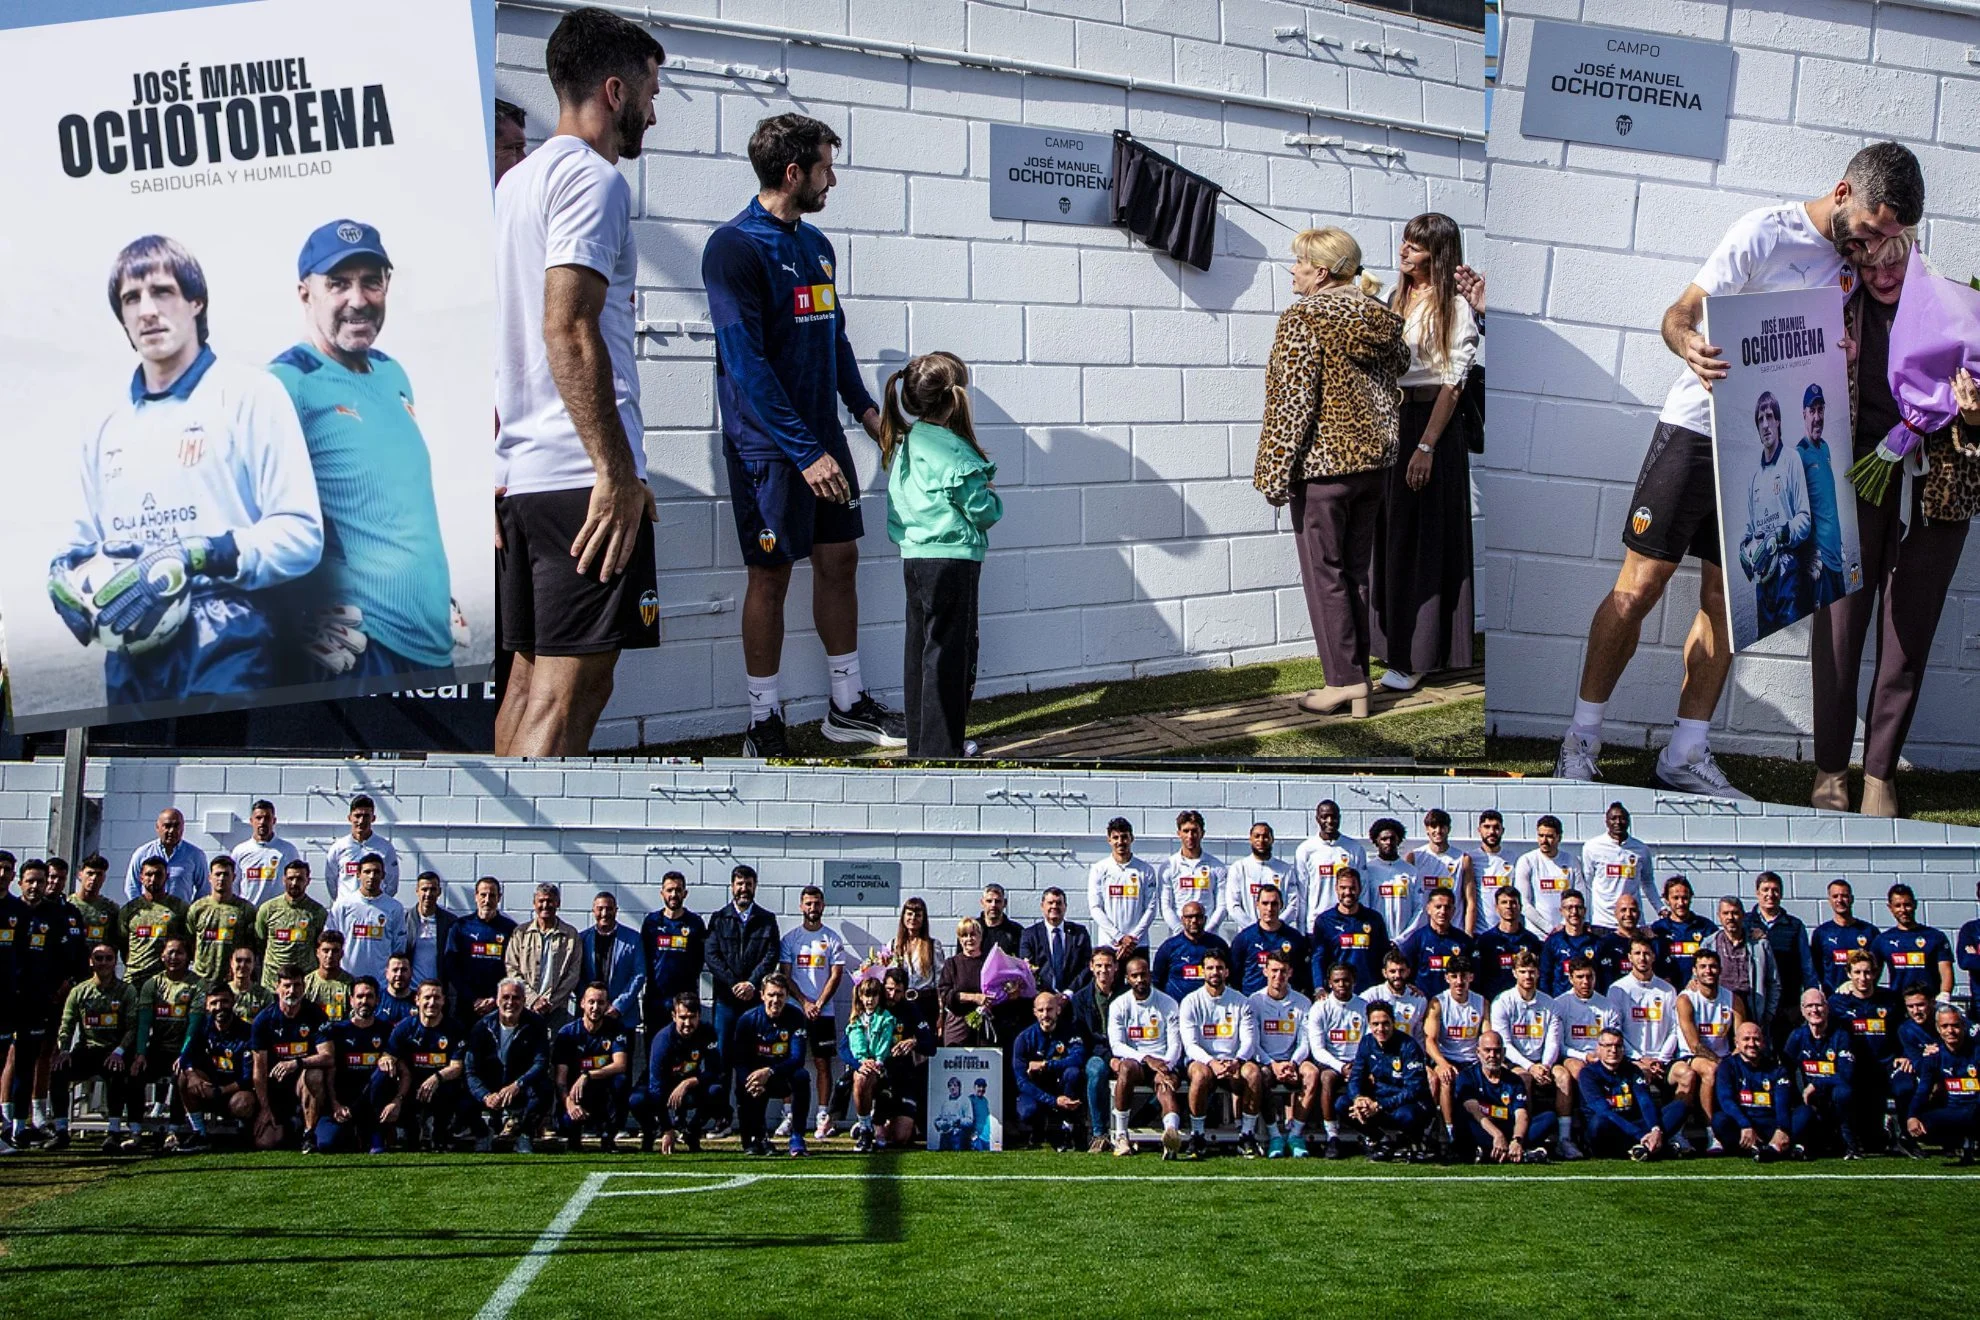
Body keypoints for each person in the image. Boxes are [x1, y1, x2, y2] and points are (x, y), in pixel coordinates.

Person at [1557, 143, 1922, 798]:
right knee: (1639, 587)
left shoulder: (1857, 266)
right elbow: (1679, 313)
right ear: (1843, 192)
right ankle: (1581, 739)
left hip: (1765, 452)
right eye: (1870, 230)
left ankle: (1685, 753)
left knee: (1729, 603)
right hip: (1698, 427)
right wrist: (1688, 344)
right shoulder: (1764, 232)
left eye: (1888, 238)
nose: (1873, 249)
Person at [49, 236, 321, 710]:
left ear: (196, 301)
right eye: (131, 299)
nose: (147, 310)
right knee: (136, 783)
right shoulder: (101, 420)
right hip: (130, 648)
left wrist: (201, 554)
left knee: (215, 780)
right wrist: (63, 581)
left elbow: (301, 535)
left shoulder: (251, 394)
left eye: (163, 291)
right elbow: (77, 544)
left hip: (229, 638)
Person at [493, 8, 665, 756]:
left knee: (533, 686)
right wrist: (614, 471)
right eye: (652, 94)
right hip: (581, 483)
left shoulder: (517, 183)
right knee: (567, 700)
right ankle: (518, 872)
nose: (655, 113)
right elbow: (568, 328)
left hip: (532, 479)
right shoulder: (592, 181)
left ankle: (485, 865)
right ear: (616, 90)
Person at [705, 110, 902, 758]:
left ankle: (847, 706)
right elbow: (747, 364)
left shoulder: (817, 246)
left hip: (822, 440)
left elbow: (833, 337)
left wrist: (869, 414)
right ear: (793, 172)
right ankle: (763, 719)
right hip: (769, 449)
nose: (833, 179)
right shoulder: (734, 247)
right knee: (770, 576)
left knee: (840, 560)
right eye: (826, 166)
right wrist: (805, 450)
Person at [1812, 228, 1976, 816]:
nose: (1882, 275)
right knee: (1838, 630)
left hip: (1934, 494)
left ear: (1912, 244)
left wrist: (1974, 413)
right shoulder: (1831, 306)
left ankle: (1880, 774)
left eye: (1893, 261)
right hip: (1854, 483)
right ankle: (1831, 768)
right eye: (1868, 261)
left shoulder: (1954, 309)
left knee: (1907, 635)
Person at [270, 218, 457, 683]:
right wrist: (290, 612)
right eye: (338, 283)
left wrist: (438, 596)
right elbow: (238, 513)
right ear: (304, 293)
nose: (358, 299)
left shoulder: (393, 373)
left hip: (430, 641)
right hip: (356, 647)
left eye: (370, 281)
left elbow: (400, 499)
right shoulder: (285, 383)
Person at [1254, 226, 1411, 718]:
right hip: (1375, 467)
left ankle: (1344, 682)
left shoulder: (1303, 318)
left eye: (1299, 263)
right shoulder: (1379, 315)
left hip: (1323, 470)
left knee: (1326, 575)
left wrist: (1273, 473)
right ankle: (1358, 682)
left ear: (1321, 272)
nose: (1293, 270)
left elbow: (1290, 402)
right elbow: (1401, 368)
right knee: (1355, 573)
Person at [1373, 212, 1478, 694]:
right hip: (1392, 421)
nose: (1404, 251)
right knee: (1392, 536)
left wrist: (1425, 446)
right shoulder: (1395, 298)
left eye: (1416, 246)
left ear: (1438, 254)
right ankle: (1392, 646)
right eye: (1404, 242)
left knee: (1423, 541)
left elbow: (1454, 383)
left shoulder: (1452, 306)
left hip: (1430, 425)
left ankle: (1418, 657)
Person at [881, 350, 1001, 756]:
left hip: (914, 559)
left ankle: (924, 746)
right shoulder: (955, 451)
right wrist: (992, 500)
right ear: (955, 399)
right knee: (950, 655)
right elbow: (981, 511)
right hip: (953, 560)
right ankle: (942, 752)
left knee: (920, 651)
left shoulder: (905, 442)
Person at [1736, 390, 1813, 638]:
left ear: (1778, 421)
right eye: (1760, 419)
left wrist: (1778, 536)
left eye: (1770, 416)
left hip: (1788, 573)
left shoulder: (1792, 460)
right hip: (1763, 582)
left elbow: (1804, 519)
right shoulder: (1754, 478)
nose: (1766, 424)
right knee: (1764, 642)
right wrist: (1744, 549)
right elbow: (1750, 530)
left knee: (1789, 640)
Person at [1609, 934, 1694, 1153]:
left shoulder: (1667, 990)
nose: (1642, 958)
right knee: (1637, 1080)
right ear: (1629, 957)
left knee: (1687, 1074)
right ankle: (1645, 1134)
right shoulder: (1618, 989)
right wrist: (1639, 1059)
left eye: (1646, 953)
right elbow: (1615, 1032)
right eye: (1637, 953)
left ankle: (1677, 1133)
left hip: (1662, 1060)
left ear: (1654, 956)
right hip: (1631, 1061)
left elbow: (1676, 1028)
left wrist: (1660, 1059)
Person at [50, 944, 137, 1153]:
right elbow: (67, 1024)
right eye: (99, 958)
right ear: (91, 961)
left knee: (116, 1071)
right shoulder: (79, 991)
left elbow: (132, 1027)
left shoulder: (127, 991)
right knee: (58, 1070)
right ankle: (61, 1131)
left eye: (108, 958)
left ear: (115, 962)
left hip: (114, 1050)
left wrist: (120, 1051)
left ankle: (114, 1132)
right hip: (87, 1050)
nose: (104, 963)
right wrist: (63, 1050)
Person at [778, 885, 846, 1140]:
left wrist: (818, 1003)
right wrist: (805, 1003)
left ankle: (822, 1115)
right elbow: (786, 976)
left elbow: (836, 975)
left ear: (823, 906)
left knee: (822, 1063)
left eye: (816, 903)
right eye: (808, 903)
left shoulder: (832, 939)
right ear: (800, 906)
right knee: (788, 1063)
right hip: (795, 1011)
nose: (812, 908)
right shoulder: (791, 939)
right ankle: (789, 1115)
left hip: (824, 1012)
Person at [1178, 950, 1260, 1158]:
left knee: (1253, 1073)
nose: (1215, 972)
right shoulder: (1190, 1001)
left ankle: (1247, 1136)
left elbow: (1249, 1039)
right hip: (1203, 1060)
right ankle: (1197, 1136)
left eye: (1219, 968)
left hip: (1234, 1061)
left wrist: (1237, 1060)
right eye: (1210, 968)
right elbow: (1190, 1045)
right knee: (1199, 1074)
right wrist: (1212, 1062)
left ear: (1227, 971)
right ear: (1202, 972)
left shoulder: (1242, 1001)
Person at [1105, 949, 1184, 1158]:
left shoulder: (1168, 1003)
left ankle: (1171, 1135)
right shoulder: (1119, 1005)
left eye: (1143, 974)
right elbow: (1117, 1045)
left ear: (1150, 975)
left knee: (1166, 1085)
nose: (1140, 979)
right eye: (1135, 976)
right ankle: (1121, 1136)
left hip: (1164, 1062)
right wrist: (1147, 1059)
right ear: (1127, 978)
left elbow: (1176, 1043)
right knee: (1126, 1067)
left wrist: (1165, 1065)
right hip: (1137, 1064)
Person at [1491, 950, 1569, 1152]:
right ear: (1515, 973)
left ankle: (1565, 1139)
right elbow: (1504, 1044)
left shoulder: (1550, 1004)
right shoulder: (1502, 1001)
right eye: (1523, 971)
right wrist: (1530, 1067)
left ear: (1538, 973)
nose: (1528, 976)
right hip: (1515, 1063)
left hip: (1543, 1062)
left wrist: (1545, 1066)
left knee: (1563, 1077)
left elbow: (1553, 1040)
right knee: (1523, 1078)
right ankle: (1525, 1137)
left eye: (1532, 972)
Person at [249, 967, 333, 1152]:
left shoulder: (315, 1014)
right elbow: (259, 1070)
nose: (292, 991)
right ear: (277, 987)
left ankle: (309, 1133)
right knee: (265, 1143)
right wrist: (264, 1108)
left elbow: (328, 1057)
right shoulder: (264, 1020)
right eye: (287, 985)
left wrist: (296, 1063)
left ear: (304, 988)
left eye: (297, 985)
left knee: (314, 1073)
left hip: (302, 1081)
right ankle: (288, 1127)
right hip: (275, 1087)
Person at [465, 977, 554, 1154]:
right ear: (497, 1000)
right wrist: (485, 1096)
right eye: (505, 998)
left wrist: (518, 1085)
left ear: (524, 1000)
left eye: (516, 998)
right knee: (461, 1093)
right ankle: (483, 1134)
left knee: (544, 1088)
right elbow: (470, 1070)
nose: (510, 1003)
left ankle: (525, 1135)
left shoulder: (536, 1024)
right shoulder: (482, 1027)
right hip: (491, 1085)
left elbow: (541, 1063)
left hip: (519, 1085)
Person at [632, 992, 725, 1154]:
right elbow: (655, 1086)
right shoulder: (663, 1040)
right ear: (674, 1016)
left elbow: (716, 1071)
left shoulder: (707, 1032)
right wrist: (667, 1128)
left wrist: (688, 1083)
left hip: (687, 1088)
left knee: (716, 1091)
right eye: (683, 1017)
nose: (687, 1023)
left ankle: (692, 1133)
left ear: (699, 1016)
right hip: (661, 1088)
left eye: (692, 1017)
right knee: (636, 1100)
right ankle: (652, 1130)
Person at [1577, 1028, 1690, 1161]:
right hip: (1610, 1129)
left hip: (1634, 1123)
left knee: (1679, 1107)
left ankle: (1644, 1147)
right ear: (1598, 1048)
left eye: (1618, 1046)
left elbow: (1645, 1102)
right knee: (1599, 1122)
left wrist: (1655, 1130)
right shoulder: (1587, 1074)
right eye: (1608, 1046)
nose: (1613, 1050)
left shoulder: (1632, 1069)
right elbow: (1604, 1112)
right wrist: (1640, 1134)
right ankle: (1649, 1148)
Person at [382, 980, 469, 1152]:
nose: (432, 1002)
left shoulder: (455, 1028)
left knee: (456, 1093)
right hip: (410, 1085)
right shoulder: (405, 1027)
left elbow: (457, 1066)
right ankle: (399, 1131)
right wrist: (386, 1060)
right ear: (417, 1000)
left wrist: (436, 1078)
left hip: (441, 1084)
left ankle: (442, 1132)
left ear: (443, 1000)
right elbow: (388, 1054)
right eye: (427, 997)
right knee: (384, 1077)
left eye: (437, 997)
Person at [316, 977, 399, 1154]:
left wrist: (396, 1101)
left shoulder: (387, 1030)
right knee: (326, 1144)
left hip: (374, 1103)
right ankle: (353, 1134)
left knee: (384, 1068)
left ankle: (375, 1132)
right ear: (351, 1000)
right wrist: (335, 1104)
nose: (364, 1001)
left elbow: (404, 1070)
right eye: (359, 996)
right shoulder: (337, 1031)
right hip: (343, 1102)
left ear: (377, 1000)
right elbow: (330, 1070)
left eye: (369, 997)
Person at [733, 972, 812, 1157]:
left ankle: (797, 1136)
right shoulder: (748, 1019)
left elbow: (797, 1058)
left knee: (802, 1077)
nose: (775, 1000)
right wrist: (752, 1082)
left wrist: (769, 1072)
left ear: (786, 996)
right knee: (744, 1082)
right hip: (755, 1078)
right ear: (762, 995)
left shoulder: (795, 1017)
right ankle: (755, 1137)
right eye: (771, 995)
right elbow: (739, 1059)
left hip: (779, 1075)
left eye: (780, 995)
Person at [1248, 950, 1317, 1158]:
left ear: (1290, 973)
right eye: (1274, 971)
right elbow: (1253, 1042)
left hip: (1293, 1060)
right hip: (1267, 1061)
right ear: (1265, 971)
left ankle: (1295, 1135)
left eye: (1283, 972)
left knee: (1312, 1073)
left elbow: (1305, 1041)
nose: (1278, 976)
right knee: (1261, 1077)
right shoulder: (1254, 1001)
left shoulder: (1303, 1002)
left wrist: (1293, 1063)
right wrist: (1273, 1064)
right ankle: (1275, 1135)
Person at [1345, 1000, 1434, 1162]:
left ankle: (1412, 1142)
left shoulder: (1409, 1046)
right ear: (1369, 1025)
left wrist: (1379, 1106)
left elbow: (1413, 1089)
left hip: (1407, 1103)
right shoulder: (1366, 1042)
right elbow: (1355, 1076)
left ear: (1393, 1023)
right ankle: (1380, 1140)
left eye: (1385, 1023)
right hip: (1379, 1101)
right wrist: (1358, 1098)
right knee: (1342, 1104)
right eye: (1376, 1024)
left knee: (1406, 1115)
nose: (1381, 1029)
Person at [1830, 950, 1900, 1148]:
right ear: (1849, 974)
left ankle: (1901, 1134)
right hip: (1854, 1068)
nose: (1863, 978)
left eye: (1868, 972)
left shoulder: (1890, 1000)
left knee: (1874, 1140)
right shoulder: (1837, 1002)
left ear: (1875, 973)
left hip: (1884, 1065)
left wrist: (1903, 1055)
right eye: (1858, 972)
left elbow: (1900, 1031)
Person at [1676, 949, 1745, 1152]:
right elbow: (1694, 1044)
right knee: (1711, 1070)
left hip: (1724, 1056)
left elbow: (1740, 1037)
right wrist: (1722, 1062)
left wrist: (1732, 1058)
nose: (1709, 971)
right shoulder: (1686, 999)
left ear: (1720, 969)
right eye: (1703, 967)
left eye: (1713, 966)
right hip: (1692, 1056)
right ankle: (1711, 1133)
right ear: (1694, 971)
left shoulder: (1732, 998)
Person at [1782, 987, 1861, 1158]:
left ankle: (1850, 1143)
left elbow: (1845, 1075)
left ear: (1827, 1008)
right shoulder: (1797, 1036)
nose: (1814, 1010)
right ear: (1802, 1011)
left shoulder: (1841, 1036)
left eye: (1818, 1005)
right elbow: (1785, 1070)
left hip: (1834, 1100)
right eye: (1809, 1006)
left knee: (1843, 1092)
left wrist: (1816, 1084)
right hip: (1808, 1102)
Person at [553, 983, 633, 1152]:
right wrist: (569, 1104)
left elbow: (621, 1065)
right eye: (591, 1002)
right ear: (582, 1003)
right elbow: (560, 1080)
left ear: (607, 1005)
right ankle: (573, 1138)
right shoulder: (568, 1033)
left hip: (602, 1091)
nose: (595, 1007)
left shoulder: (615, 1028)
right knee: (567, 1121)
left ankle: (608, 1137)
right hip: (576, 1095)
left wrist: (587, 1075)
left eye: (600, 1002)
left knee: (622, 1081)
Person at [1421, 955, 1487, 1154]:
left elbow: (1488, 1036)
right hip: (1447, 1057)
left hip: (1474, 1060)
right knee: (1446, 1079)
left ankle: (1485, 1134)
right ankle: (1449, 1135)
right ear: (1447, 978)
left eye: (1464, 976)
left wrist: (1487, 1061)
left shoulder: (1482, 1002)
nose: (1459, 981)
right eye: (1454, 976)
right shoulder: (1438, 1002)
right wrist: (1442, 1063)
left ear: (1471, 977)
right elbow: (1429, 1040)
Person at [1303, 962, 1369, 1158]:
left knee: (1372, 1076)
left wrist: (1357, 1067)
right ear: (1329, 983)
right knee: (1326, 1079)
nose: (1342, 984)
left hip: (1358, 1064)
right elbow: (1318, 1049)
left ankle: (1369, 1134)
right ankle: (1332, 1136)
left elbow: (1369, 1043)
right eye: (1337, 981)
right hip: (1332, 1064)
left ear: (1354, 981)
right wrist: (1341, 1067)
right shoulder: (1320, 1008)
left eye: (1346, 980)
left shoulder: (1364, 1007)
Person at [1458, 1030, 1553, 1164]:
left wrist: (1517, 1139)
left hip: (1509, 1128)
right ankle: (1523, 1155)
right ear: (1478, 1052)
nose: (1492, 1055)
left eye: (1497, 1051)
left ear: (1503, 1053)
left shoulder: (1514, 1080)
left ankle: (1494, 1154)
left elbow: (1521, 1114)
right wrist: (1497, 1135)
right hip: (1485, 1128)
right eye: (1487, 1050)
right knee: (1466, 1123)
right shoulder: (1468, 1076)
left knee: (1548, 1118)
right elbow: (1473, 1109)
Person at [1011, 990, 1088, 1152]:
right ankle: (1039, 1128)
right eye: (1041, 1010)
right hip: (1036, 1091)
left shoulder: (1070, 1031)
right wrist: (1053, 1101)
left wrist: (1046, 1065)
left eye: (1049, 1009)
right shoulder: (1024, 1038)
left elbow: (1078, 1057)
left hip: (1062, 1087)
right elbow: (1021, 1082)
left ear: (1058, 1010)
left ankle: (1068, 1126)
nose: (1045, 1015)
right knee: (1027, 1112)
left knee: (1073, 1073)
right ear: (1034, 1013)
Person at [1748, 872, 1818, 1048]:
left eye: (1775, 890)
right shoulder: (1746, 923)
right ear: (1757, 893)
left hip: (1787, 1004)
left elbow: (1806, 965)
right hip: (1753, 1003)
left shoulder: (1794, 925)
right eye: (1765, 890)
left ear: (1781, 894)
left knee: (1787, 1054)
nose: (1770, 895)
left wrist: (1808, 998)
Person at [1903, 1005, 1980, 1163]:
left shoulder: (1977, 1052)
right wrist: (1912, 1116)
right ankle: (1958, 1143)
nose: (1950, 1031)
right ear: (1938, 1029)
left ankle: (1971, 1140)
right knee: (1922, 1126)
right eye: (1945, 1026)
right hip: (1952, 1111)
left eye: (1955, 1025)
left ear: (1963, 1026)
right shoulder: (1934, 1055)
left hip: (1976, 1109)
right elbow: (1923, 1089)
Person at [1068, 947, 1123, 1153]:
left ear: (1116, 967)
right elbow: (1084, 1038)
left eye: (1108, 965)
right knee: (1096, 1071)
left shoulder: (1126, 994)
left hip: (1126, 1053)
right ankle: (1099, 1133)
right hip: (1096, 1053)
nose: (1103, 970)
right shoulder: (1081, 999)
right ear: (1091, 967)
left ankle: (1133, 1125)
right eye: (1099, 965)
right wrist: (1108, 1057)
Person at [506, 882, 583, 1029]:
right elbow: (512, 969)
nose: (545, 905)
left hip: (557, 1010)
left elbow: (573, 974)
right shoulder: (520, 933)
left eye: (550, 901)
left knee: (555, 1050)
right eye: (541, 901)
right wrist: (533, 1000)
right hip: (524, 1007)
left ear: (558, 903)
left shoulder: (571, 935)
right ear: (534, 903)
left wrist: (550, 1002)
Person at [327, 854, 409, 985]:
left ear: (383, 876)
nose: (372, 876)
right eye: (367, 871)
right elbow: (330, 942)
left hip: (381, 983)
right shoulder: (343, 905)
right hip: (346, 981)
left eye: (376, 872)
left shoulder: (394, 907)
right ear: (358, 874)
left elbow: (398, 947)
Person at [640, 871, 708, 1023]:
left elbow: (700, 959)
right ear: (662, 893)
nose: (674, 894)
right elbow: (644, 956)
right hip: (656, 998)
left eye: (678, 890)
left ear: (685, 893)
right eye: (669, 890)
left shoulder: (695, 923)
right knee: (655, 1044)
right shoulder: (651, 922)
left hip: (685, 1000)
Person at [447, 876, 518, 1020]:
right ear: (475, 896)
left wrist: (495, 998)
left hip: (499, 1005)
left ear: (499, 898)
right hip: (466, 1005)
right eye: (483, 895)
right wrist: (473, 999)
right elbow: (451, 966)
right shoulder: (461, 926)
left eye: (492, 895)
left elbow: (515, 968)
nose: (487, 900)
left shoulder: (510, 929)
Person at [1086, 818, 1156, 960]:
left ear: (1132, 838)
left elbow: (1151, 908)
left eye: (1124, 837)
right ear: (1109, 840)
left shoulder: (1146, 870)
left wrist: (1133, 938)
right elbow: (1095, 907)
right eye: (1115, 837)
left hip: (1138, 945)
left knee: (1139, 982)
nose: (1120, 841)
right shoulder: (1099, 869)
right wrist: (1119, 937)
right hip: (1109, 944)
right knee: (1110, 983)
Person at [843, 976, 898, 1152]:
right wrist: (862, 1060)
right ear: (859, 996)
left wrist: (878, 1061)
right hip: (862, 1065)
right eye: (866, 995)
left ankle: (873, 1126)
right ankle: (865, 1128)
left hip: (881, 1067)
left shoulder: (886, 1018)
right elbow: (852, 1044)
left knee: (867, 1080)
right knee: (860, 1079)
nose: (869, 1000)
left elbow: (885, 1041)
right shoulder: (855, 1020)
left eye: (874, 996)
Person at [1292, 799, 1365, 933]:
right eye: (1324, 817)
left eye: (1334, 816)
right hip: (1316, 925)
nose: (1330, 821)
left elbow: (1363, 890)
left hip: (1349, 923)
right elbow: (1301, 894)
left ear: (1340, 818)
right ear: (1317, 819)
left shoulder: (1355, 848)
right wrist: (1301, 930)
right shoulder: (1306, 849)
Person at [1311, 866, 1388, 994]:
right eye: (1343, 888)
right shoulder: (1324, 921)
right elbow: (1318, 958)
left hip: (1369, 991)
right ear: (1336, 889)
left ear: (1360, 889)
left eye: (1352, 888)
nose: (1348, 892)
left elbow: (1385, 956)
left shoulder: (1374, 919)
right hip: (1338, 993)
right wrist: (1319, 987)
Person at [1580, 804, 1657, 929]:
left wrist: (1660, 908)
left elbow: (1648, 882)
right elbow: (1587, 885)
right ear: (1606, 822)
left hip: (1632, 921)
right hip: (1602, 922)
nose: (1618, 822)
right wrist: (1586, 918)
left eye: (1622, 818)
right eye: (1613, 818)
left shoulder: (1641, 849)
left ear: (1629, 821)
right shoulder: (1592, 847)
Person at [1871, 882, 1954, 999]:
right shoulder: (1882, 940)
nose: (1903, 910)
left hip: (1929, 1004)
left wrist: (1944, 995)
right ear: (1890, 907)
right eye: (1898, 905)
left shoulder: (1935, 936)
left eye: (1907, 905)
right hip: (1897, 1004)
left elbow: (1946, 971)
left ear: (1915, 905)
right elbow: (1871, 974)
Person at [255, 860, 326, 992]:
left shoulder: (317, 912)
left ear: (308, 881)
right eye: (290, 878)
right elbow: (259, 943)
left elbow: (320, 946)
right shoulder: (268, 909)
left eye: (299, 879)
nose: (294, 883)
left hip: (304, 983)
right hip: (272, 983)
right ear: (283, 880)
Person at [1712, 895, 1779, 1033]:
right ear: (1719, 916)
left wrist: (1768, 1014)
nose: (1730, 917)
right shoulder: (1709, 944)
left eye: (1735, 913)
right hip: (1720, 1008)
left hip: (1752, 1009)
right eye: (1725, 913)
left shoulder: (1760, 944)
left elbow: (1774, 983)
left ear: (1743, 915)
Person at [579, 890, 644, 1031]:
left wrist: (619, 1006)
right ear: (593, 911)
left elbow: (638, 975)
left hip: (622, 1016)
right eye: (600, 909)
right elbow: (575, 975)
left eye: (609, 909)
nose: (604, 913)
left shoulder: (633, 939)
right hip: (589, 1017)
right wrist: (590, 1003)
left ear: (616, 910)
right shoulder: (582, 939)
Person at [1157, 809, 1227, 938]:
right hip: (1178, 937)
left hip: (1208, 937)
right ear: (1179, 833)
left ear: (1202, 833)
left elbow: (1222, 905)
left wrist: (1208, 931)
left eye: (1194, 831)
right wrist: (1180, 931)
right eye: (1186, 831)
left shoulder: (1217, 867)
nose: (1190, 836)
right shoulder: (1168, 867)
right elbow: (1165, 906)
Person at [1231, 884, 1310, 996]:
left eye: (1274, 904)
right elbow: (1235, 976)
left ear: (1281, 905)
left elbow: (1301, 973)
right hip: (1252, 1001)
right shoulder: (1243, 938)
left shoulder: (1295, 938)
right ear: (1257, 905)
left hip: (1286, 1004)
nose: (1269, 908)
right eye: (1265, 903)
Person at [1402, 809, 1472, 935]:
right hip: (1422, 932)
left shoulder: (1463, 858)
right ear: (1427, 829)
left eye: (1442, 827)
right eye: (1433, 826)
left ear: (1448, 829)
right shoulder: (1414, 857)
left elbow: (1470, 901)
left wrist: (1469, 934)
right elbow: (1407, 900)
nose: (1438, 831)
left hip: (1454, 931)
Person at [122, 808, 208, 905]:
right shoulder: (143, 854)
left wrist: (191, 912)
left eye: (176, 826)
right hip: (149, 916)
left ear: (183, 828)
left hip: (180, 917)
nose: (172, 830)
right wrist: (143, 909)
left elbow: (204, 889)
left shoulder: (195, 855)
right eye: (167, 826)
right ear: (157, 827)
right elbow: (131, 886)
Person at [1514, 815, 1581, 939]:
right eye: (1541, 835)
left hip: (1567, 933)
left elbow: (1580, 897)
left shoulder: (1572, 861)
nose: (1544, 840)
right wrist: (1550, 929)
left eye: (1549, 836)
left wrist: (1563, 925)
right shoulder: (1527, 860)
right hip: (1537, 935)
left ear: (1559, 837)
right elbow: (1524, 903)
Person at [1153, 901, 1233, 1005]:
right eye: (1189, 917)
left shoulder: (1218, 945)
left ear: (1205, 919)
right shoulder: (1169, 947)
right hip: (1177, 1009)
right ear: (1182, 920)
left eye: (1198, 917)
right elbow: (1157, 981)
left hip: (1212, 1008)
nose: (1194, 921)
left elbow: (1230, 978)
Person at [1223, 823, 1296, 934]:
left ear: (1272, 839)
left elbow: (1293, 904)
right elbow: (1233, 905)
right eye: (1257, 836)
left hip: (1279, 935)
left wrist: (1275, 926)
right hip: (1248, 934)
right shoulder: (1239, 868)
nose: (1261, 840)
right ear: (1250, 839)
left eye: (1265, 836)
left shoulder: (1285, 869)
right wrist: (1255, 928)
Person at [1020, 887, 1093, 997]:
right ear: (1042, 906)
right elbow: (1027, 967)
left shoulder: (1079, 933)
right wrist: (1046, 996)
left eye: (1059, 903)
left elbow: (1087, 966)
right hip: (1041, 1000)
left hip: (1073, 998)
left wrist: (1068, 993)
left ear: (1065, 907)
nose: (1054, 906)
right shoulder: (1029, 934)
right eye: (1050, 903)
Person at [1473, 886, 1542, 1002]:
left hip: (1525, 1003)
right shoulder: (1486, 940)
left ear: (1520, 907)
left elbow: (1539, 976)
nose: (1509, 906)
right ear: (1496, 907)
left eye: (1513, 902)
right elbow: (1478, 978)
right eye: (1504, 902)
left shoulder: (1531, 940)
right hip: (1494, 1002)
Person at [324, 796, 400, 900]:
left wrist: (379, 902)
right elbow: (331, 881)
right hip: (347, 910)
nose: (361, 821)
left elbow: (392, 882)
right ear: (349, 817)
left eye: (366, 816)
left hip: (375, 909)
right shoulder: (338, 847)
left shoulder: (385, 847)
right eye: (357, 815)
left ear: (373, 818)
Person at [1812, 878, 1879, 992]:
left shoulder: (1869, 931)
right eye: (1835, 896)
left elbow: (1877, 965)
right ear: (1829, 900)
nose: (1840, 900)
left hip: (1863, 997)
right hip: (1833, 998)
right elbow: (1817, 967)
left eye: (1844, 896)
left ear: (1852, 899)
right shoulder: (1822, 933)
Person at [1398, 887, 1473, 988]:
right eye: (1438, 907)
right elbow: (1403, 971)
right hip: (1425, 1000)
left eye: (1447, 907)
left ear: (1453, 910)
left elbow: (1474, 975)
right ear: (1428, 909)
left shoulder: (1464, 941)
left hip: (1454, 1001)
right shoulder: (1417, 939)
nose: (1442, 911)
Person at [231, 800, 300, 907]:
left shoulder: (288, 850)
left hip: (277, 914)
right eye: (258, 818)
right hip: (248, 915)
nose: (262, 822)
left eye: (267, 818)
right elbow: (233, 885)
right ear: (251, 821)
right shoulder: (240, 851)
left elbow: (296, 883)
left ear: (274, 821)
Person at [1650, 876, 1714, 988]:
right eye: (1675, 898)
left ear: (1691, 898)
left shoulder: (1706, 927)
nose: (1681, 903)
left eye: (1685, 898)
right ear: (1666, 899)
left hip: (1697, 992)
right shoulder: (1658, 929)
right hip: (1666, 992)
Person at [1360, 817, 1417, 941]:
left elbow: (1419, 908)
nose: (1388, 842)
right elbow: (1363, 906)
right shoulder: (1368, 870)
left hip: (1404, 942)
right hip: (1375, 939)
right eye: (1384, 839)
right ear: (1376, 841)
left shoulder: (1411, 871)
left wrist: (1403, 939)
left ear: (1399, 840)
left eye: (1392, 838)